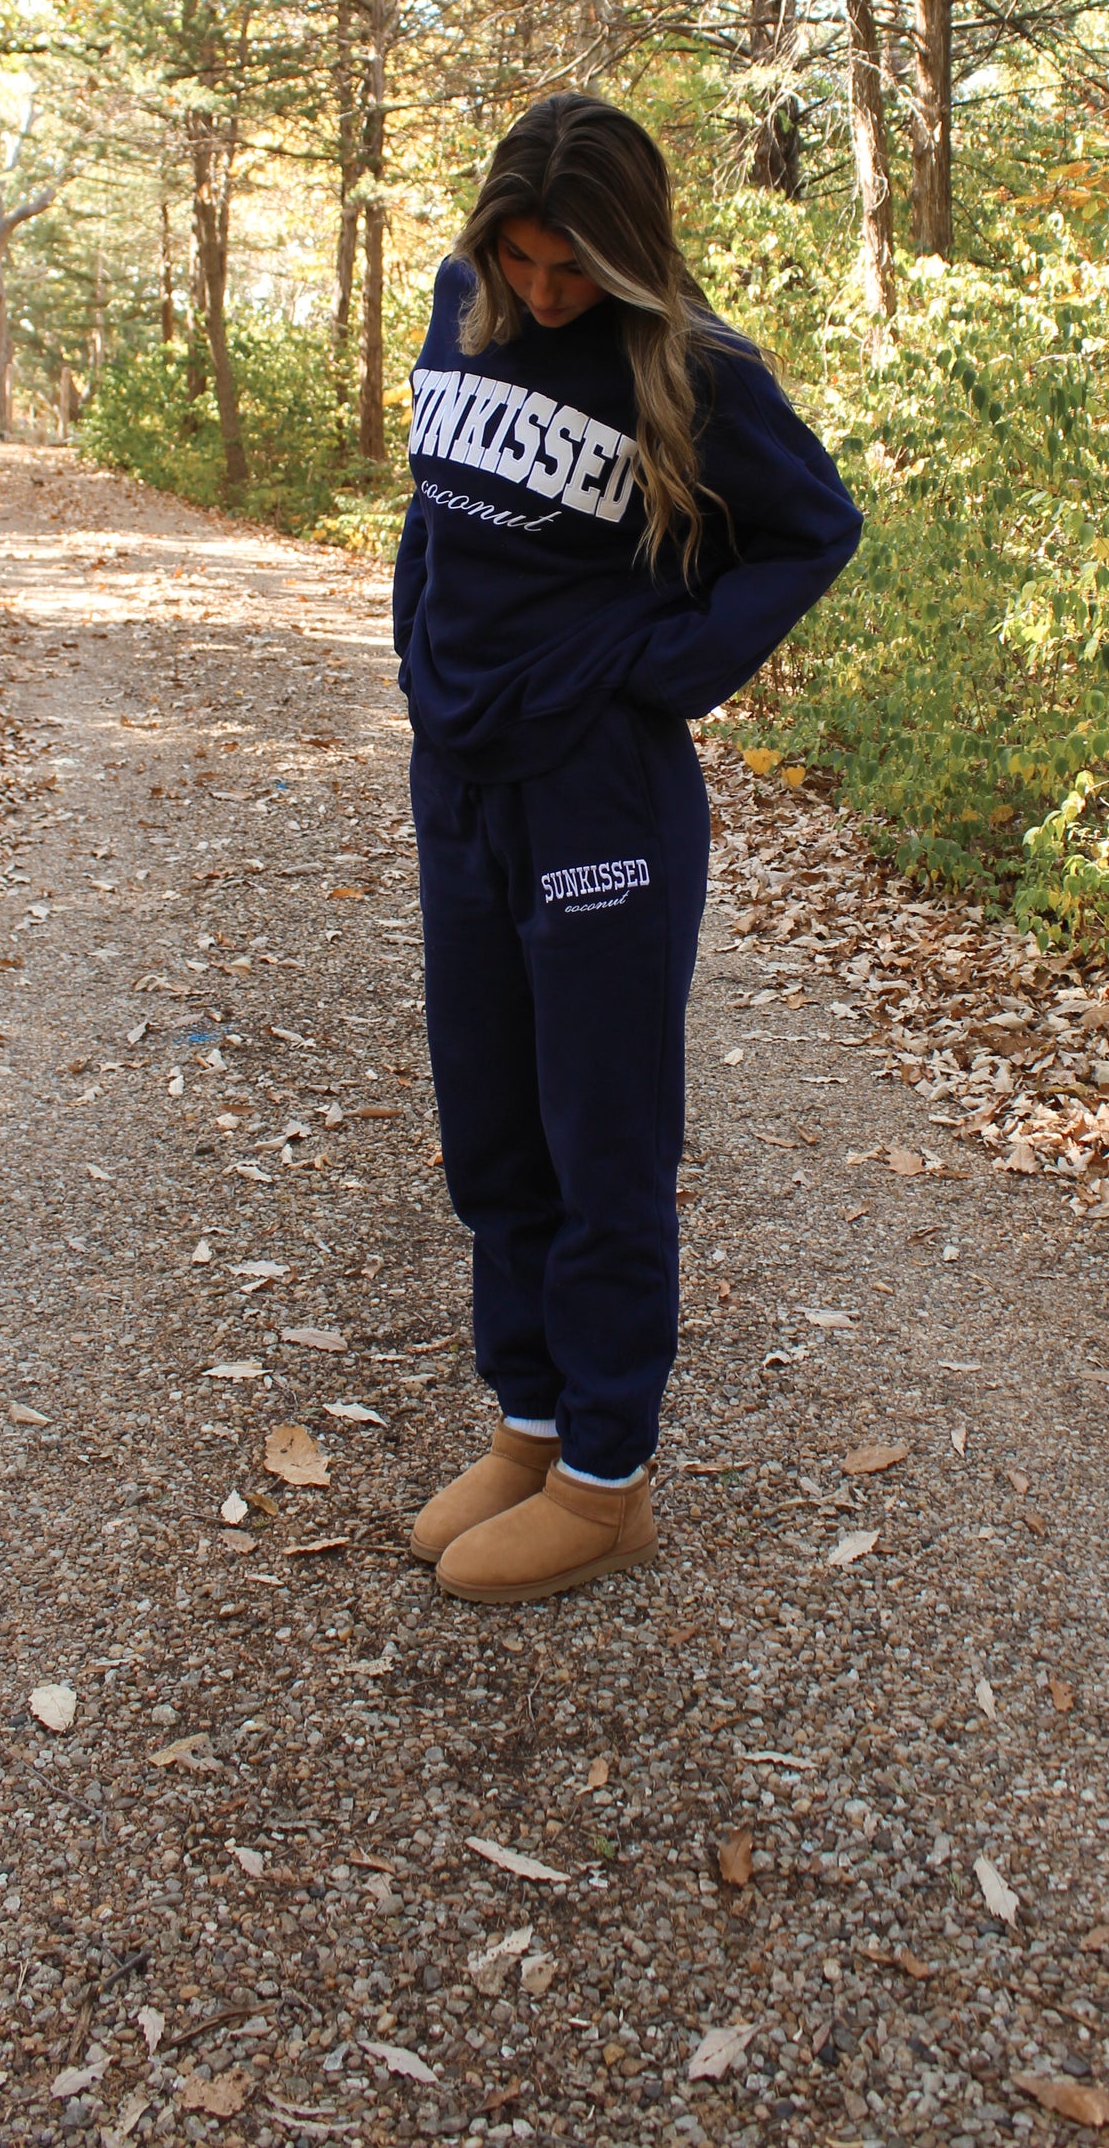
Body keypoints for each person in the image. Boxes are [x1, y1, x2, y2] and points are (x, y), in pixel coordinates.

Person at [392, 90, 861, 1604]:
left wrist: (656, 674)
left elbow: (812, 531)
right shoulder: (467, 313)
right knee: (494, 1136)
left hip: (599, 800)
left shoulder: (696, 368)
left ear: (632, 249)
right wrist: (421, 658)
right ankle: (528, 1429)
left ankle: (606, 1482)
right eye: (522, 258)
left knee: (604, 1148)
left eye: (573, 267)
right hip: (461, 785)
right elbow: (438, 520)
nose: (543, 292)